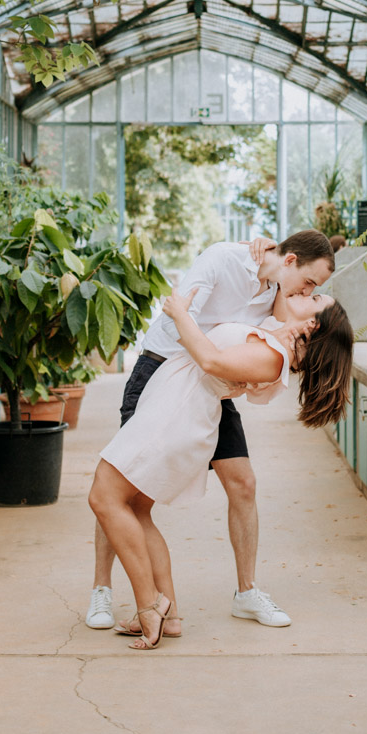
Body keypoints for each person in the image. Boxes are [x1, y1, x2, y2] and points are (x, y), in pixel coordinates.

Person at [85, 230, 335, 633]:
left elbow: (298, 330)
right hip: (163, 372)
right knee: (126, 492)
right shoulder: (224, 259)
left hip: (209, 387)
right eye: (309, 284)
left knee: (243, 483)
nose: (308, 292)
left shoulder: (278, 290)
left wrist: (248, 370)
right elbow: (183, 316)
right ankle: (102, 588)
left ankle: (246, 592)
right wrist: (232, 366)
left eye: (314, 291)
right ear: (290, 263)